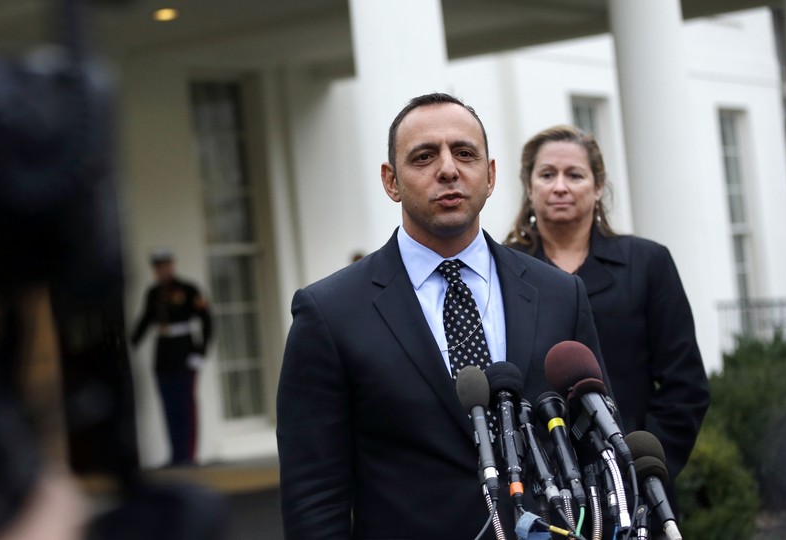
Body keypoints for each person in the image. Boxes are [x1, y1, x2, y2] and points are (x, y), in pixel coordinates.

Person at [276, 93, 613, 539]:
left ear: (490, 176)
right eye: (423, 157)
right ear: (391, 181)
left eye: (465, 153)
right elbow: (314, 493)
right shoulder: (330, 313)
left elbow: (598, 453)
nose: (449, 169)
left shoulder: (559, 294)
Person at [503, 125, 710, 510]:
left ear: (598, 187)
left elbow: (686, 385)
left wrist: (643, 466)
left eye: (575, 175)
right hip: (538, 491)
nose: (560, 186)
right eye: (547, 175)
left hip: (635, 487)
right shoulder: (502, 270)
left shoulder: (648, 263)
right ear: (529, 188)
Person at [131, 250, 213, 466]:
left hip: (185, 353)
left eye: (165, 265)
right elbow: (146, 321)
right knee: (169, 407)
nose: (161, 270)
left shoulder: (189, 289)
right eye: (158, 267)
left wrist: (200, 353)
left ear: (172, 266)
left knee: (185, 407)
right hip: (164, 355)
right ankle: (176, 455)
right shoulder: (153, 292)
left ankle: (188, 456)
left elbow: (207, 321)